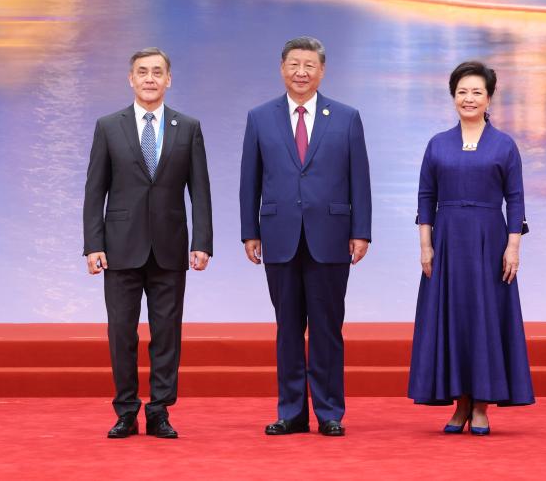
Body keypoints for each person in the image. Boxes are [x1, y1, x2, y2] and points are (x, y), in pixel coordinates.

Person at [239, 36, 372, 437]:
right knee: (288, 328)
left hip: (331, 236)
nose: (301, 72)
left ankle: (329, 411)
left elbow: (360, 179)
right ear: (282, 68)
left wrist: (361, 231)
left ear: (322, 71)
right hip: (278, 235)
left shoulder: (346, 117)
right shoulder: (260, 117)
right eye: (294, 64)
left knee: (327, 328)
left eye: (309, 65)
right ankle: (292, 412)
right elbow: (250, 180)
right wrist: (249, 232)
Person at [83, 47, 213, 440]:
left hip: (170, 248)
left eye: (158, 72)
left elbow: (200, 191)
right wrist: (93, 244)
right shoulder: (109, 126)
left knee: (167, 333)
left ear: (169, 79)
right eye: (143, 72)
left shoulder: (187, 127)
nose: (150, 79)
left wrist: (202, 241)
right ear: (131, 79)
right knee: (121, 333)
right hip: (119, 248)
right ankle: (126, 411)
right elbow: (95, 190)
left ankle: (159, 411)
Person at [408, 61, 534, 434]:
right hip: (447, 241)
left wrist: (513, 247)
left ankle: (481, 405)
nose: (469, 98)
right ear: (453, 97)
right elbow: (425, 197)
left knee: (484, 317)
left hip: (489, 240)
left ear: (489, 98)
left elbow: (516, 199)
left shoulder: (504, 145)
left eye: (477, 92)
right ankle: (460, 404)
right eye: (462, 91)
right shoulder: (437, 143)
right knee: (453, 318)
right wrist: (426, 245)